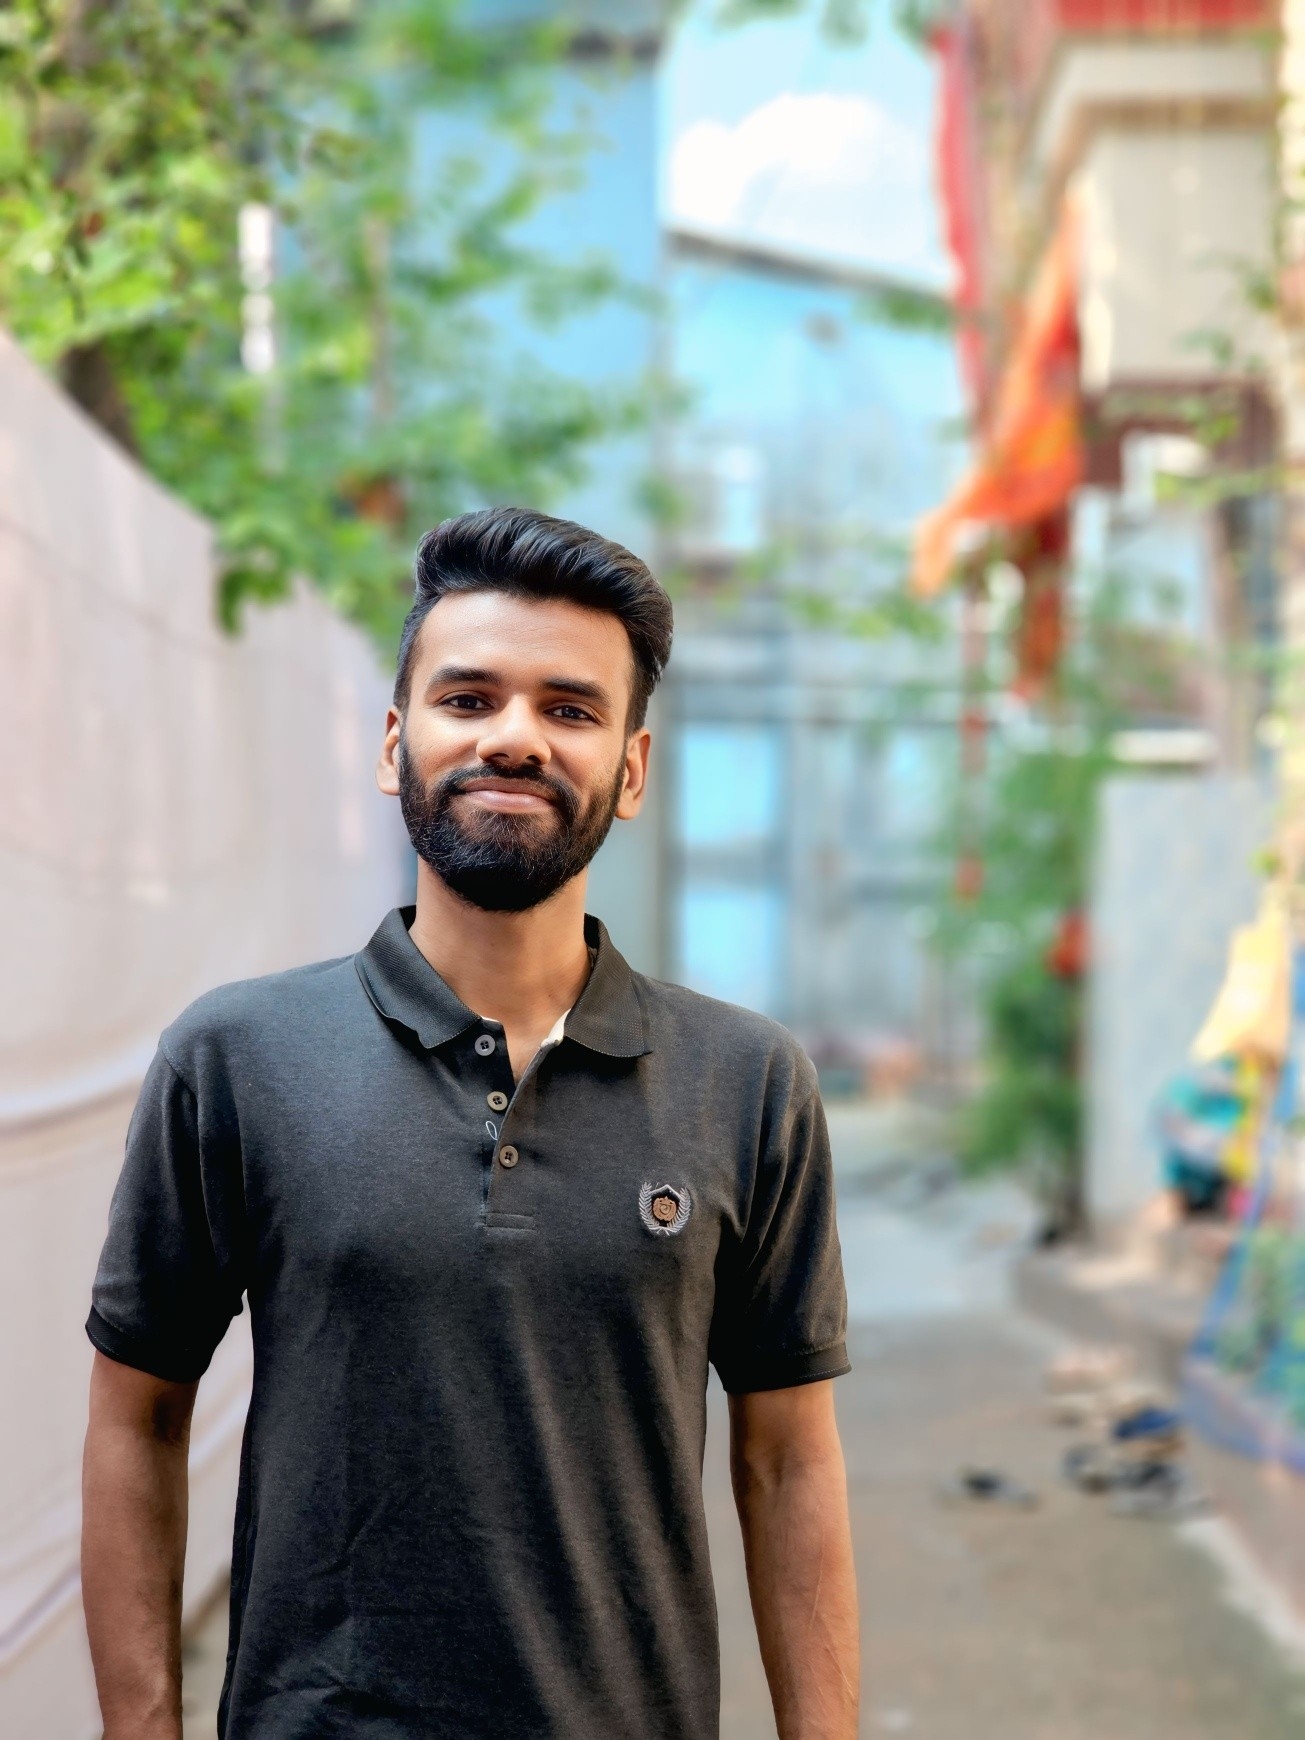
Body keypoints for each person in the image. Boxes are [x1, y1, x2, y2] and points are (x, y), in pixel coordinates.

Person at [81, 507, 859, 1740]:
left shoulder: (748, 1082)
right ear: (397, 743)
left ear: (632, 771)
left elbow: (788, 1459)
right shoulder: (234, 1061)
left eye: (569, 708)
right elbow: (138, 1417)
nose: (514, 736)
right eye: (468, 697)